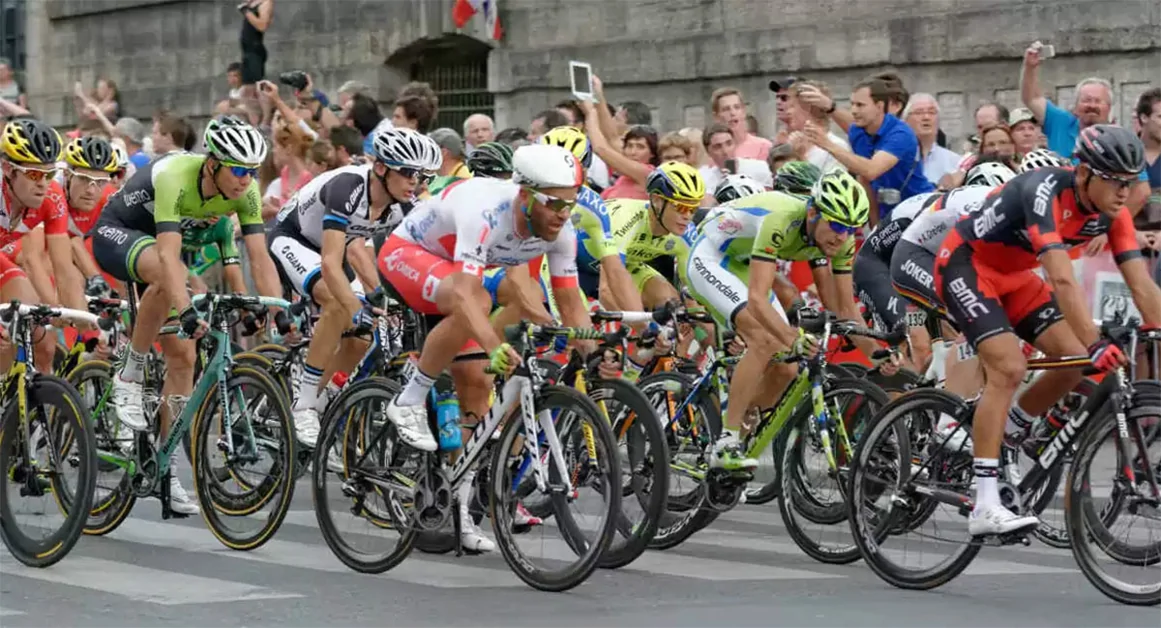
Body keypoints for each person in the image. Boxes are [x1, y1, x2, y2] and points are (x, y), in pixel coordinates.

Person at [933, 125, 1161, 536]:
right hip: (967, 266)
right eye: (1114, 180)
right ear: (1085, 173)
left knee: (1074, 363)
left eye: (1131, 181)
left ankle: (1011, 430)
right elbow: (1061, 281)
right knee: (1008, 367)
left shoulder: (1113, 215)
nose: (1125, 191)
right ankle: (984, 504)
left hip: (1016, 278)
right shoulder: (1044, 192)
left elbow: (1142, 285)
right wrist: (1095, 343)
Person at [377, 144, 597, 551]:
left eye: (571, 203)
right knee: (475, 301)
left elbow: (566, 302)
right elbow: (465, 293)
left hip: (454, 277)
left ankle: (458, 512)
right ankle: (408, 398)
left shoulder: (559, 230)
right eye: (554, 204)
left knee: (477, 390)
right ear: (526, 196)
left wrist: (593, 351)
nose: (563, 214)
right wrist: (495, 344)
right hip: (407, 255)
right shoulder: (486, 211)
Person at [90, 116, 285, 515]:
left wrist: (276, 308)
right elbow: (167, 255)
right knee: (169, 274)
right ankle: (130, 370)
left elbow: (259, 258)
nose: (245, 180)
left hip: (161, 259)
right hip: (119, 234)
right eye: (236, 169)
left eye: (251, 171)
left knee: (184, 358)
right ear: (211, 162)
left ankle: (166, 470)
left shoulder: (244, 194)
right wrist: (187, 310)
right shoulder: (176, 174)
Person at [683, 170, 870, 469]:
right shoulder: (782, 216)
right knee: (765, 339)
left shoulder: (842, 240)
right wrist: (792, 337)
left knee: (787, 367)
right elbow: (758, 298)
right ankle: (726, 441)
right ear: (813, 212)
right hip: (710, 257)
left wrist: (881, 354)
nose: (843, 235)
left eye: (851, 228)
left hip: (742, 263)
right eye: (835, 223)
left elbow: (847, 309)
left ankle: (742, 430)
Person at [268, 128, 438, 445]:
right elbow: (332, 262)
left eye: (422, 176)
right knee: (337, 303)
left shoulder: (403, 205)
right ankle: (303, 405)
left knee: (362, 336)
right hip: (294, 239)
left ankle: (323, 404)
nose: (415, 182)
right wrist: (354, 304)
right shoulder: (349, 186)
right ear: (382, 168)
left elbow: (397, 257)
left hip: (333, 250)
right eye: (409, 173)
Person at [0, 119, 89, 371]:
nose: (43, 183)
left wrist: (87, 327)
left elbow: (64, 269)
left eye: (49, 174)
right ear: (8, 169)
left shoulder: (51, 196)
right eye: (34, 174)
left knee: (42, 339)